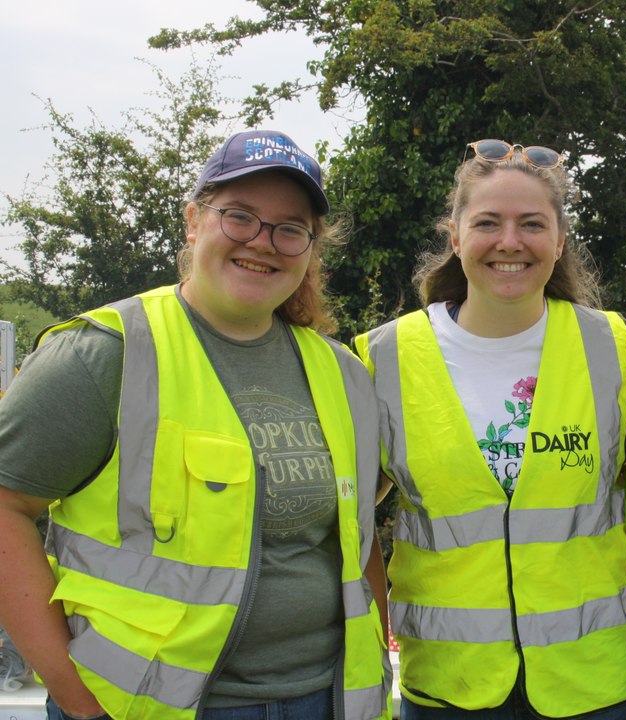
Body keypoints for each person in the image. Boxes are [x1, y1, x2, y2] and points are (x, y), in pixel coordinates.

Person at [0, 130, 392, 720]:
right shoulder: (105, 354)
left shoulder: (344, 374)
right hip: (144, 706)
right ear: (192, 221)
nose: (264, 242)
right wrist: (79, 700)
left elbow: (357, 542)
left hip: (326, 699)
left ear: (310, 248)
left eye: (290, 229)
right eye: (239, 217)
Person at [352, 140, 626, 719]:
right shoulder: (382, 358)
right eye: (488, 222)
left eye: (531, 224)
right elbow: (347, 523)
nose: (510, 241)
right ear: (455, 237)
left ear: (559, 241)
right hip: (445, 689)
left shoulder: (619, 348)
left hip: (593, 687)